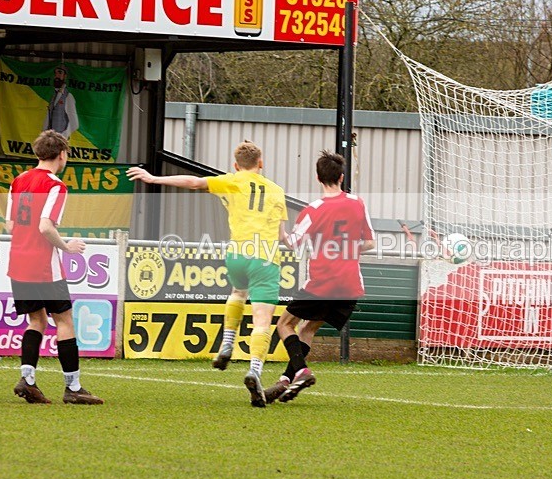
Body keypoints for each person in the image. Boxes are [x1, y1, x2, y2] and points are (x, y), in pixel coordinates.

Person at [127, 140, 288, 408]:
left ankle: (227, 343)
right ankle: (255, 371)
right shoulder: (276, 191)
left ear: (236, 166)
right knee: (262, 320)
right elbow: (283, 235)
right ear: (261, 163)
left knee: (237, 292)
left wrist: (154, 178)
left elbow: (193, 182)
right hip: (265, 257)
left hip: (237, 255)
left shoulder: (232, 180)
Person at [264, 150, 375, 404]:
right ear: (342, 177)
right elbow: (369, 243)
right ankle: (286, 380)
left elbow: (292, 243)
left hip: (323, 281)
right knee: (309, 327)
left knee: (285, 325)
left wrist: (280, 227)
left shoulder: (313, 210)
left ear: (318, 177)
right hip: (349, 284)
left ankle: (301, 372)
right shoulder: (358, 202)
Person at [7, 130, 103, 405]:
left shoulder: (18, 181)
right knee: (64, 321)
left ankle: (28, 379)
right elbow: (45, 226)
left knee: (36, 320)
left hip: (18, 262)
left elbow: (12, 225)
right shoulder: (55, 185)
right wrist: (66, 246)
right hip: (43, 266)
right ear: (62, 154)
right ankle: (73, 387)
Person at [43, 64, 79, 139]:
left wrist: (62, 137)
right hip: (50, 139)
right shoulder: (54, 96)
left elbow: (74, 123)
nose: (57, 76)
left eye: (60, 73)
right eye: (55, 73)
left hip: (60, 140)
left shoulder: (68, 96)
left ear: (65, 76)